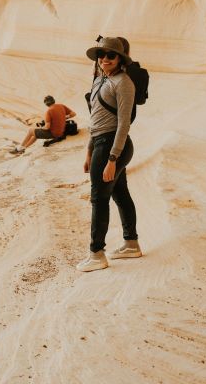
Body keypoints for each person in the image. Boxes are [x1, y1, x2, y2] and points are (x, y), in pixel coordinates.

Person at [76, 37, 142, 272]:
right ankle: (131, 244)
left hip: (114, 145)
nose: (105, 59)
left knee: (99, 199)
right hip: (101, 144)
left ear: (120, 59)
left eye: (111, 55)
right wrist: (88, 152)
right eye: (101, 55)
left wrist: (112, 159)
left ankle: (96, 254)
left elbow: (124, 124)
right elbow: (95, 121)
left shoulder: (123, 83)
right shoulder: (100, 81)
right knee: (120, 194)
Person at [10, 96, 76, 154]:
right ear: (54, 100)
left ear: (46, 104)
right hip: (61, 131)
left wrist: (41, 128)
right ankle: (24, 148)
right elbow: (73, 114)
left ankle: (19, 149)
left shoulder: (49, 111)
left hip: (54, 134)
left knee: (30, 131)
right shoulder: (61, 106)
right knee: (36, 134)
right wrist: (66, 117)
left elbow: (47, 127)